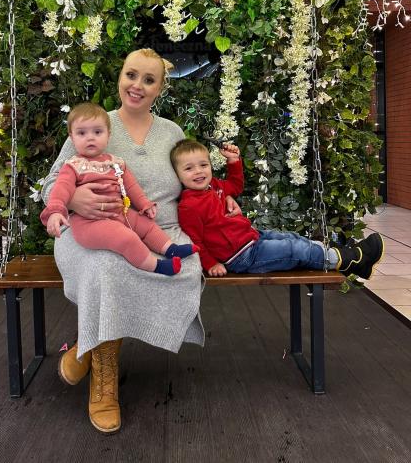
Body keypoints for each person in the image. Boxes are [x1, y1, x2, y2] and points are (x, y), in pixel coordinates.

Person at [41, 48, 241, 434]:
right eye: (131, 75)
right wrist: (75, 198)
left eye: (149, 80)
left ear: (160, 88)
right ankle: (104, 383)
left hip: (158, 229)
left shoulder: (172, 133)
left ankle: (88, 347)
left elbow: (194, 177)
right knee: (107, 267)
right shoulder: (96, 123)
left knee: (184, 264)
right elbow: (54, 181)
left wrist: (223, 193)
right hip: (90, 229)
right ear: (120, 76)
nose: (138, 86)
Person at [171, 139, 384, 279]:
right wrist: (210, 264)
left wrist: (234, 161)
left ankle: (350, 261)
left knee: (293, 238)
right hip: (241, 257)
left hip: (251, 238)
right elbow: (194, 241)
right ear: (177, 175)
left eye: (203, 165)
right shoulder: (189, 206)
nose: (198, 172)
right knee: (294, 250)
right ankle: (348, 259)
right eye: (189, 168)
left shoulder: (214, 186)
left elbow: (235, 186)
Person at [40, 102, 198, 276]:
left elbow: (131, 186)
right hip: (89, 222)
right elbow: (61, 189)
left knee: (146, 225)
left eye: (97, 132)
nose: (90, 138)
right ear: (72, 137)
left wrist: (145, 204)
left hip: (119, 212)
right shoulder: (73, 166)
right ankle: (155, 265)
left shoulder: (116, 162)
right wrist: (55, 211)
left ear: (108, 135)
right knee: (126, 238)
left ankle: (170, 248)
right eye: (82, 133)